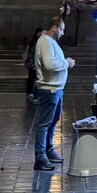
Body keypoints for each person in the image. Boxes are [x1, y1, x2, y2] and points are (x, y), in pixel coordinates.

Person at [34, 13, 75, 171]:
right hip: (49, 89)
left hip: (56, 88)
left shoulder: (50, 42)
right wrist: (66, 63)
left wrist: (65, 62)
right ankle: (40, 157)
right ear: (54, 28)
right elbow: (50, 65)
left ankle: (48, 149)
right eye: (62, 29)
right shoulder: (45, 42)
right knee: (44, 123)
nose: (63, 33)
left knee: (53, 120)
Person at [24, 27, 43, 104]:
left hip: (34, 65)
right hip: (33, 65)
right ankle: (32, 95)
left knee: (34, 80)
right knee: (33, 80)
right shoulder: (35, 43)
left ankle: (33, 95)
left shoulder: (37, 42)